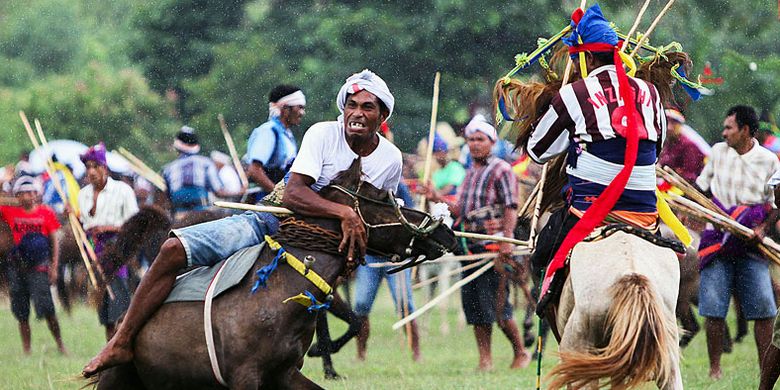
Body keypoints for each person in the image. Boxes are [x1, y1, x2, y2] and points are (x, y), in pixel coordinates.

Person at [82, 69, 401, 377]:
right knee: (172, 248)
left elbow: (376, 215)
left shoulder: (390, 160)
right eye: (351, 105)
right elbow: (294, 194)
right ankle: (121, 341)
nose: (356, 113)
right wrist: (343, 213)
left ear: (382, 115)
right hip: (270, 221)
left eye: (367, 107)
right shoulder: (321, 134)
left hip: (321, 252)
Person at [525, 5, 666, 288]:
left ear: (587, 57)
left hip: (589, 209)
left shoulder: (573, 94)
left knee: (541, 257)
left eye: (577, 59)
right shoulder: (650, 91)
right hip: (644, 209)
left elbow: (536, 151)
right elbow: (656, 148)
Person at [421, 116, 530, 371]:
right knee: (474, 307)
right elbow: (461, 210)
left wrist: (506, 239)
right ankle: (485, 359)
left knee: (498, 306)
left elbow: (511, 207)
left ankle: (520, 352)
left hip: (492, 246)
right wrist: (436, 197)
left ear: (492, 141)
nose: (474, 144)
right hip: (469, 247)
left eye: (480, 139)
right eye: (470, 140)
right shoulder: (470, 172)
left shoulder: (502, 169)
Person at [695, 105, 780, 380]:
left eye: (729, 127)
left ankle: (763, 368)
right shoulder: (717, 152)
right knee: (713, 307)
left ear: (745, 130)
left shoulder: (768, 160)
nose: (724, 133)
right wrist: (711, 212)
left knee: (765, 310)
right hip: (717, 237)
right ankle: (714, 370)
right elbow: (701, 188)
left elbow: (776, 202)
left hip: (751, 243)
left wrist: (763, 227)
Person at [353, 123, 420, 362]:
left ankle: (416, 354)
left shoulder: (398, 183)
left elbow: (410, 215)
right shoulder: (357, 182)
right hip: (370, 253)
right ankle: (360, 354)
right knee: (360, 305)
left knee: (405, 304)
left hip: (395, 255)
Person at [77, 143, 140, 340]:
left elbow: (134, 224)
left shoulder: (123, 190)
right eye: (88, 167)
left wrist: (109, 228)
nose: (91, 172)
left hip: (116, 250)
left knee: (119, 304)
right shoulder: (83, 194)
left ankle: (122, 345)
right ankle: (109, 348)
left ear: (105, 168)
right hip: (94, 251)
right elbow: (84, 225)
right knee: (104, 309)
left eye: (95, 166)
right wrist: (74, 217)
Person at [0, 176, 67, 355]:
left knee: (47, 309)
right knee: (21, 312)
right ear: (17, 196)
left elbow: (55, 241)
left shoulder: (46, 213)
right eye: (22, 194)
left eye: (30, 193)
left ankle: (60, 345)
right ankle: (27, 350)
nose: (26, 197)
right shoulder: (9, 211)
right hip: (18, 268)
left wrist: (54, 266)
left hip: (39, 267)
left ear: (36, 194)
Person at [162, 126, 241, 220]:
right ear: (196, 145)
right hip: (202, 215)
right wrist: (240, 192)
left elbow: (167, 200)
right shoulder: (206, 163)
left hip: (179, 217)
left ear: (177, 145)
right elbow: (219, 192)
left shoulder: (167, 169)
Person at [245, 85, 306, 201]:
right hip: (263, 199)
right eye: (300, 107)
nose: (303, 113)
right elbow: (254, 170)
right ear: (286, 109)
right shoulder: (268, 131)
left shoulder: (287, 135)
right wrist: (278, 196)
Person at [658, 109, 706, 184]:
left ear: (679, 125)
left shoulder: (689, 145)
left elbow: (690, 176)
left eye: (673, 123)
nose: (669, 127)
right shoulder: (668, 141)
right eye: (667, 122)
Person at [431, 133, 465, 197]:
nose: (437, 156)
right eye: (435, 153)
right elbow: (435, 189)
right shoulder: (437, 172)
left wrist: (435, 195)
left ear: (446, 152)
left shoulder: (455, 167)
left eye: (440, 152)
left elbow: (449, 188)